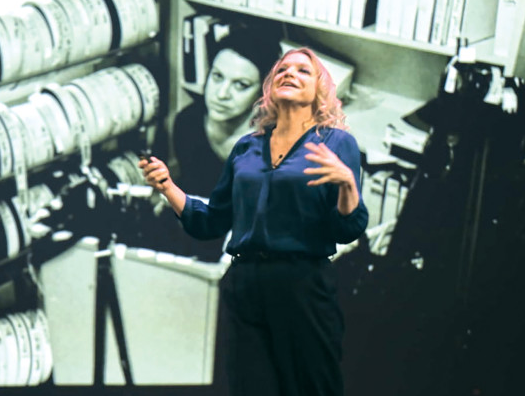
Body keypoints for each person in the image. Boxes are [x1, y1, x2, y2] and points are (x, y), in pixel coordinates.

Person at [140, 47, 368, 396]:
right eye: (284, 71)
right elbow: (213, 219)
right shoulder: (246, 148)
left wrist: (347, 186)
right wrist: (168, 187)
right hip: (243, 281)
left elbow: (349, 229)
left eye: (303, 71)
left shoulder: (336, 144)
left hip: (302, 287)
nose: (291, 74)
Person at [169, 30, 281, 197]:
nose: (222, 94)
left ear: (263, 94)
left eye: (240, 85)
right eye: (217, 76)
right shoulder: (188, 123)